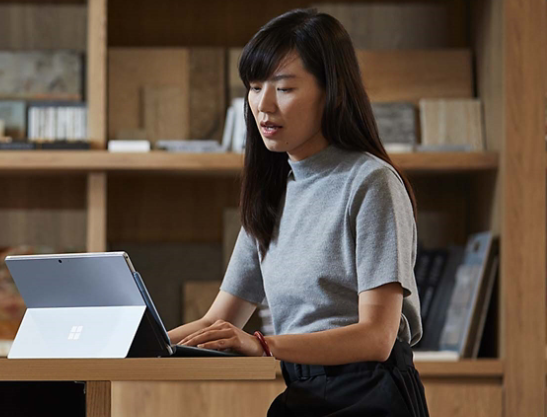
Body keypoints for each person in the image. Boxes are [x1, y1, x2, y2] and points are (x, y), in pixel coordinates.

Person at [167, 9, 429, 417]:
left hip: (372, 394)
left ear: (331, 92)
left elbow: (377, 337)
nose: (263, 105)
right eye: (254, 88)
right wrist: (142, 344)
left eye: (284, 88)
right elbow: (219, 320)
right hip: (304, 390)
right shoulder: (270, 194)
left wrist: (264, 345)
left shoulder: (371, 182)